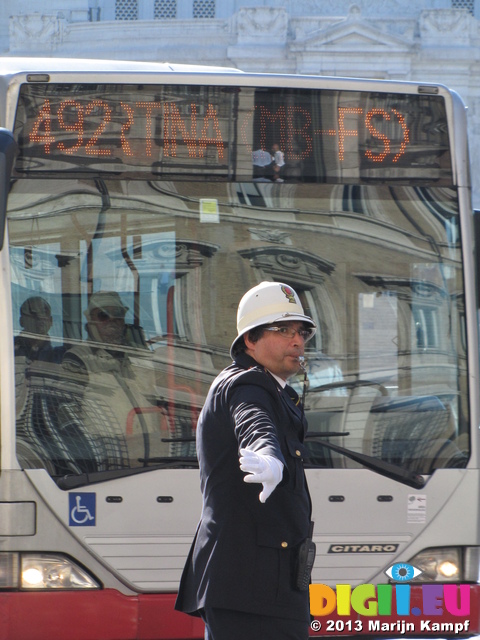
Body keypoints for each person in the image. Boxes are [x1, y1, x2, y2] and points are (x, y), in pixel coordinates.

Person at [175, 281, 317, 640]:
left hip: (263, 585)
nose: (297, 341)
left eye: (301, 332)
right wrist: (268, 457)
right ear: (250, 341)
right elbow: (255, 424)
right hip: (248, 587)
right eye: (283, 330)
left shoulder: (275, 389)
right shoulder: (247, 385)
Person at [14, 296, 62, 363]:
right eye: (34, 316)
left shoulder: (59, 355)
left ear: (51, 321)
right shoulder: (8, 347)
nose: (41, 320)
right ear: (21, 321)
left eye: (45, 315)